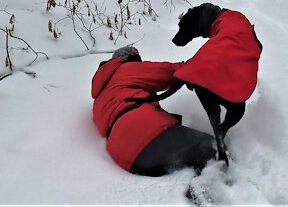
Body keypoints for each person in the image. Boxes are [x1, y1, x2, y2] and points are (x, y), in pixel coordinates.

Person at [91, 46, 216, 177]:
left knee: (189, 161)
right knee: (211, 147)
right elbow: (167, 73)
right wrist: (193, 65)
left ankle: (201, 184)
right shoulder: (124, 69)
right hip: (146, 132)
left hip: (127, 159)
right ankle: (219, 186)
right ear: (129, 58)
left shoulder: (98, 99)